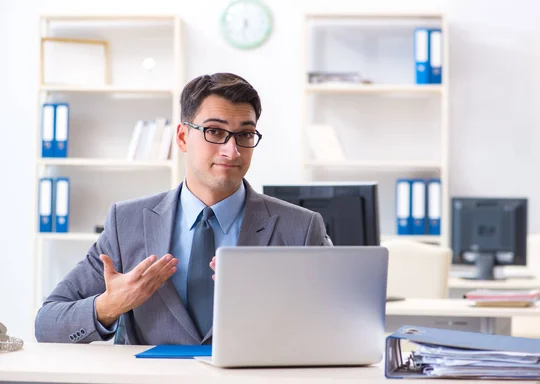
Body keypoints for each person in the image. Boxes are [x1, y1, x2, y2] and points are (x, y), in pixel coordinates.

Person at [35, 73, 331, 345]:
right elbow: (47, 324)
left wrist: (283, 304)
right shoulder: (127, 222)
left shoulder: (301, 228)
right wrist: (110, 305)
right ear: (181, 137)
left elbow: (338, 327)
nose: (232, 150)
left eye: (245, 134)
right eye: (215, 132)